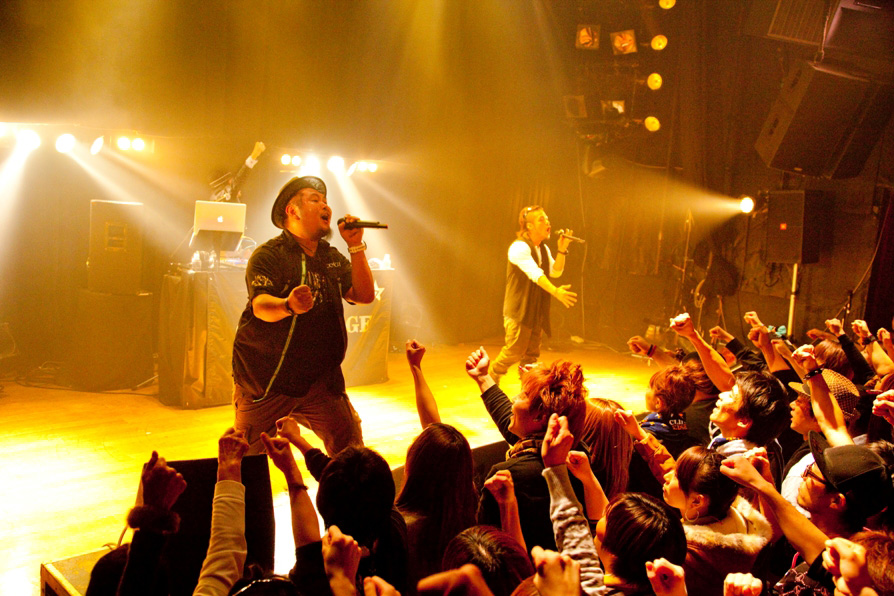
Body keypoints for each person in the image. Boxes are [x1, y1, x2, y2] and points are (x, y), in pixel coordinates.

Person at [231, 175, 375, 456]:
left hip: (320, 382)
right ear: (292, 211)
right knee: (247, 460)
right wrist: (288, 305)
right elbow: (260, 306)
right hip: (268, 381)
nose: (325, 206)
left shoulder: (329, 256)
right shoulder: (269, 255)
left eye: (326, 200)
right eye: (315, 199)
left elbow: (364, 295)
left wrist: (356, 246)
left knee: (351, 453)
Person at [490, 205, 577, 383]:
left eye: (547, 219)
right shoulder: (519, 247)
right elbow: (535, 274)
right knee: (514, 351)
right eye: (541, 219)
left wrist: (562, 249)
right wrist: (556, 292)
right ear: (529, 226)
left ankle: (527, 389)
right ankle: (491, 377)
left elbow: (555, 272)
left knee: (531, 355)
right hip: (519, 309)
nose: (547, 222)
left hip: (535, 309)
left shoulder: (542, 248)